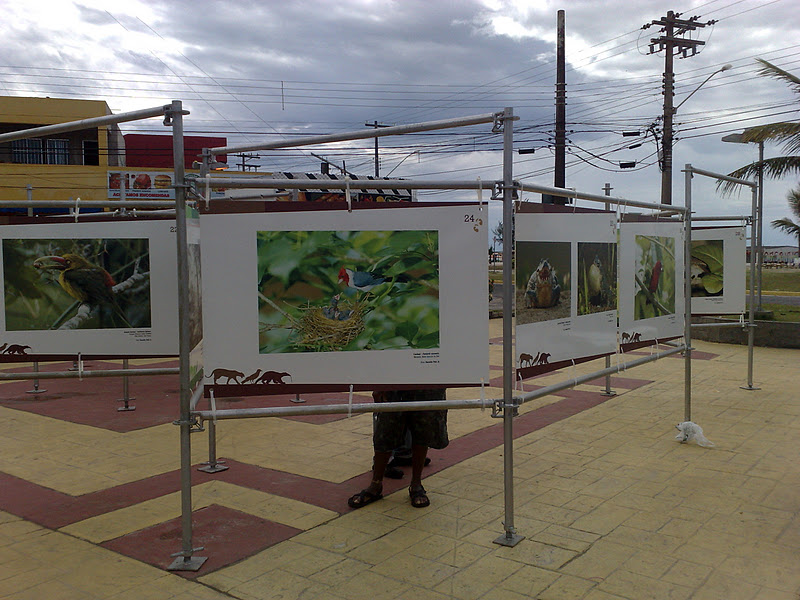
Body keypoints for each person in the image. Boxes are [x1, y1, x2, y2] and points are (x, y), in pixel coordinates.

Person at [348, 388, 448, 509]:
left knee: (422, 431)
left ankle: (416, 484)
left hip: (427, 386)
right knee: (385, 431)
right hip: (394, 387)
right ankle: (376, 484)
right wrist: (378, 386)